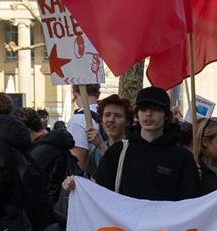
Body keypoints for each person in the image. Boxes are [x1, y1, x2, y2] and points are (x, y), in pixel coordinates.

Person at [71, 87, 200, 201]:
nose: (148, 114)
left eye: (155, 109)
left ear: (166, 115)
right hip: (123, 227)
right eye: (143, 109)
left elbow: (188, 205)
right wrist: (75, 186)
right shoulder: (118, 152)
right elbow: (99, 195)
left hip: (165, 227)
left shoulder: (183, 158)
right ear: (137, 113)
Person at [85, 94, 133, 179]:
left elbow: (123, 175)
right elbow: (88, 181)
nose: (111, 120)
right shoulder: (96, 152)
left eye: (118, 116)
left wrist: (102, 147)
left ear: (127, 121)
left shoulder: (134, 149)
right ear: (101, 120)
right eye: (107, 115)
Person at [67, 83, 101, 172]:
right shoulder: (109, 116)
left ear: (74, 94)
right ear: (98, 94)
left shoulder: (77, 120)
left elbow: (78, 163)